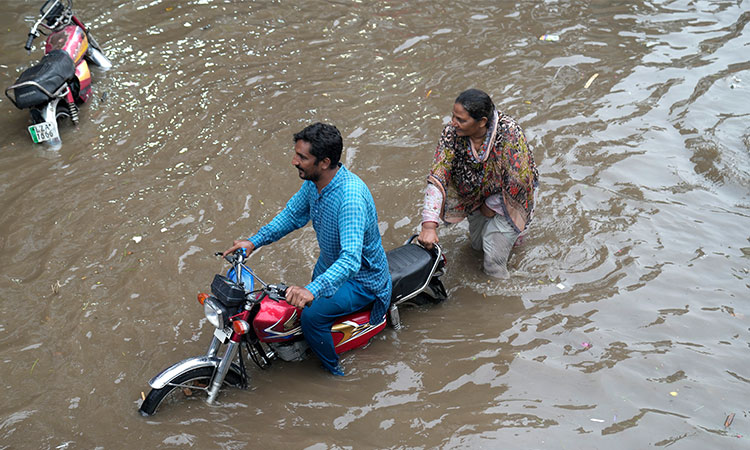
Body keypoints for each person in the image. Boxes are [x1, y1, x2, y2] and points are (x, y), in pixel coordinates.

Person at [223, 122, 391, 376]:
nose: (294, 161)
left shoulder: (350, 198)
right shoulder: (315, 184)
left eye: (302, 157)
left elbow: (350, 261)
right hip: (328, 267)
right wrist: (254, 241)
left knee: (312, 318)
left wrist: (312, 289)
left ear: (324, 162)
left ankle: (333, 371)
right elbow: (291, 216)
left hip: (363, 280)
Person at [418, 88, 538, 279]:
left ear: (482, 122)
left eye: (461, 120)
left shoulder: (509, 134)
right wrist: (429, 225)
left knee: (492, 264)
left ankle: (500, 302)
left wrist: (490, 205)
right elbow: (438, 174)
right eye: (453, 116)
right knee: (477, 247)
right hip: (475, 197)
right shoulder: (451, 134)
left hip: (508, 200)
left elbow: (520, 182)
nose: (453, 123)